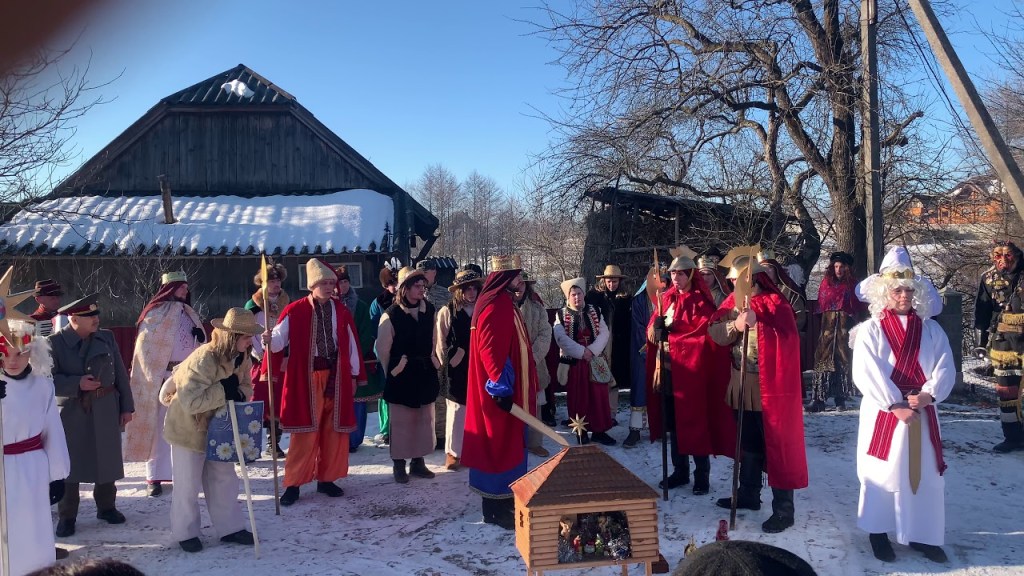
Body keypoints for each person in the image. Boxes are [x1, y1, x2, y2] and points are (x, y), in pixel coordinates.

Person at [851, 246, 954, 563]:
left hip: (922, 410)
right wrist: (894, 404)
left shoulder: (931, 329)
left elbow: (945, 366)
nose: (904, 295)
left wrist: (929, 395)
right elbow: (865, 371)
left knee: (924, 473)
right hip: (885, 412)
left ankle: (922, 534)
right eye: (897, 290)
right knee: (882, 471)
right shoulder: (871, 330)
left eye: (909, 290)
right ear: (885, 292)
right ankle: (878, 532)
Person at [709, 257, 807, 533]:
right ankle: (749, 494)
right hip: (741, 383)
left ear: (752, 279)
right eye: (731, 280)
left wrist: (760, 324)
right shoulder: (732, 303)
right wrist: (736, 326)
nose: (733, 284)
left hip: (770, 388)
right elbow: (714, 332)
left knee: (776, 445)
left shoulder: (777, 304)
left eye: (736, 280)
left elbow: (788, 340)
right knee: (749, 443)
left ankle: (784, 510)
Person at [263, 259, 366, 506]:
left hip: (336, 377)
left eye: (332, 283)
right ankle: (294, 483)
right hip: (306, 379)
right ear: (312, 285)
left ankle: (326, 478)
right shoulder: (295, 310)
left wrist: (353, 374)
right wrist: (268, 339)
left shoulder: (341, 311)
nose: (330, 287)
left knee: (334, 431)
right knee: (305, 432)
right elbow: (278, 341)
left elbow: (351, 343)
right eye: (324, 283)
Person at [161, 307, 262, 553]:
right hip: (188, 427)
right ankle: (186, 532)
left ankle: (230, 528)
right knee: (187, 483)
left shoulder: (243, 356)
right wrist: (224, 390)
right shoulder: (204, 358)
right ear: (232, 336)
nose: (251, 341)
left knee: (224, 477)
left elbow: (246, 386)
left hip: (220, 427)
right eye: (246, 336)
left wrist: (237, 393)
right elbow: (191, 401)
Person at [646, 254, 734, 494]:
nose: (676, 278)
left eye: (681, 274)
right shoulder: (666, 298)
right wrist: (655, 329)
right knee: (674, 424)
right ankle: (680, 471)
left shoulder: (700, 302)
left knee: (695, 422)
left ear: (691, 275)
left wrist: (672, 337)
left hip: (692, 375)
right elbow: (651, 332)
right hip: (668, 370)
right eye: (673, 274)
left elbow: (703, 337)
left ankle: (701, 476)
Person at [461, 254, 537, 530]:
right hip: (501, 395)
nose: (520, 280)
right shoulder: (497, 305)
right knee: (500, 446)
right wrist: (500, 386)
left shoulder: (500, 301)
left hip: (505, 390)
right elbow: (492, 350)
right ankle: (497, 508)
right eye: (516, 275)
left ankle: (500, 506)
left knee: (504, 445)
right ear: (506, 277)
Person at [49, 294, 134, 538]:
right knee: (70, 464)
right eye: (89, 316)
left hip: (105, 405)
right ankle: (67, 516)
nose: (96, 319)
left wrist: (126, 407)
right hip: (72, 410)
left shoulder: (106, 337)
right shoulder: (53, 343)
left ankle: (107, 507)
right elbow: (46, 380)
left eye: (96, 314)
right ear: (74, 319)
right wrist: (76, 383)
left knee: (106, 458)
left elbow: (120, 373)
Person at [125, 271, 205, 497]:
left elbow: (200, 346)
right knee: (159, 428)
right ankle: (155, 477)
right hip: (162, 378)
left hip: (187, 377)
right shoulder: (154, 314)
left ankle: (182, 473)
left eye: (186, 287)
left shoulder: (190, 313)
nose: (186, 290)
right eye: (181, 287)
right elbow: (145, 349)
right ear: (170, 288)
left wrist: (200, 338)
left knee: (185, 426)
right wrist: (154, 376)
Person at [1, 319, 70, 575]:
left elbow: (52, 429)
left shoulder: (42, 385)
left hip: (33, 467)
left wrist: (57, 475)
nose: (12, 361)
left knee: (32, 525)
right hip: (2, 468)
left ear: (31, 351)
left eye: (20, 353)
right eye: (5, 354)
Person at [376, 266, 440, 484]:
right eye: (417, 286)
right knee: (402, 422)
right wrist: (395, 370)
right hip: (402, 375)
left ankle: (418, 461)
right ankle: (399, 464)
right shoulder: (391, 315)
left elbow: (434, 339)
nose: (422, 289)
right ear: (405, 289)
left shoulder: (429, 310)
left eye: (423, 286)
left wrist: (433, 360)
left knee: (423, 419)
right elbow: (383, 348)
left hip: (424, 371)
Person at [974, 240, 1024, 452]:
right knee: (1007, 392)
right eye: (998, 256)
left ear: (1018, 256)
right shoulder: (988, 278)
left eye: (1008, 256)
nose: (1003, 260)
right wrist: (980, 343)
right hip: (1003, 344)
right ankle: (1012, 437)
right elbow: (982, 311)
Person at [554, 278, 616, 445]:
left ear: (583, 294)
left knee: (598, 397)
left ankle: (599, 430)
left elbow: (604, 332)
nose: (577, 297)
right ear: (568, 297)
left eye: (579, 294)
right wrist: (582, 352)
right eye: (573, 295)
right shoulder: (561, 315)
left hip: (594, 361)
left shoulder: (594, 310)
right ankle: (580, 431)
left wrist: (592, 351)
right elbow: (561, 338)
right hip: (576, 363)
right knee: (578, 397)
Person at [434, 267, 483, 469]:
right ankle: (453, 453)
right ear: (459, 291)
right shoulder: (448, 311)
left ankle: (474, 450)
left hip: (479, 365)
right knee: (456, 410)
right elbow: (440, 342)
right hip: (456, 368)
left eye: (474, 288)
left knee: (478, 409)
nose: (471, 292)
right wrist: (449, 362)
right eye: (466, 288)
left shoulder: (482, 309)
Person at [809, 251, 866, 412]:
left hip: (844, 329)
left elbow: (859, 308)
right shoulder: (826, 283)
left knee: (843, 361)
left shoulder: (853, 285)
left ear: (847, 268)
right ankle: (818, 398)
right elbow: (820, 307)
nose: (838, 270)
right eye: (835, 266)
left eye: (841, 267)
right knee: (822, 360)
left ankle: (840, 398)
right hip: (827, 330)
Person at [335, 265, 383, 453]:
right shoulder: (330, 306)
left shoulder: (360, 306)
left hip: (356, 359)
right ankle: (338, 438)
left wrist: (355, 354)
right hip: (334, 360)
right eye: (340, 282)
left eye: (345, 282)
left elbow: (366, 333)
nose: (343, 286)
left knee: (357, 399)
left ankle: (354, 439)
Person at [244, 260, 290, 458]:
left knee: (277, 400)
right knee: (256, 399)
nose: (276, 284)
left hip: (281, 360)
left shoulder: (287, 304)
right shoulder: (253, 305)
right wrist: (259, 352)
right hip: (259, 359)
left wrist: (286, 352)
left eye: (278, 280)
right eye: (271, 281)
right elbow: (249, 332)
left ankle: (274, 443)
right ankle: (249, 445)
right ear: (262, 283)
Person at [586, 264, 632, 422]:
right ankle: (598, 412)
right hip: (599, 343)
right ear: (604, 281)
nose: (611, 284)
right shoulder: (593, 297)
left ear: (620, 281)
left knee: (614, 379)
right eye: (609, 281)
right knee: (598, 377)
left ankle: (611, 414)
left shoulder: (625, 299)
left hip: (618, 344)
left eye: (615, 281)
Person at [515, 271, 552, 458]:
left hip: (535, 365)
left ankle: (535, 442)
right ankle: (514, 442)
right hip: (512, 364)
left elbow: (545, 334)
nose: (519, 287)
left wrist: (532, 357)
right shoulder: (504, 308)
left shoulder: (537, 308)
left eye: (522, 284)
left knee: (535, 404)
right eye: (516, 284)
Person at [416, 259, 451, 451]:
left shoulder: (446, 295)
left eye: (426, 272)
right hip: (419, 352)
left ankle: (440, 434)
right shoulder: (414, 294)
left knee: (440, 394)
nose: (423, 276)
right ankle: (423, 434)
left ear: (434, 272)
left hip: (439, 350)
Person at [370, 263, 399, 445]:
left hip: (403, 350)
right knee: (385, 390)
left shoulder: (407, 300)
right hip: (384, 350)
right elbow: (374, 328)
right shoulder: (378, 303)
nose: (394, 287)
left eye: (396, 282)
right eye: (391, 283)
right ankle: (387, 428)